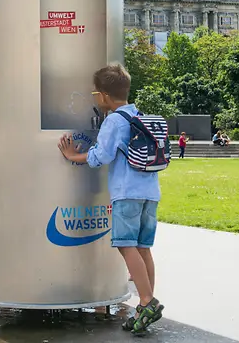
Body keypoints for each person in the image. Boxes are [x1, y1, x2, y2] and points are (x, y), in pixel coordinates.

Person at [58, 63, 164, 335]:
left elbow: (100, 157)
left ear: (103, 95)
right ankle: (145, 304)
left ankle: (146, 300)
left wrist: (73, 156)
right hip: (150, 193)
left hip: (126, 193)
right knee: (143, 247)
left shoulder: (115, 121)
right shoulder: (138, 116)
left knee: (126, 246)